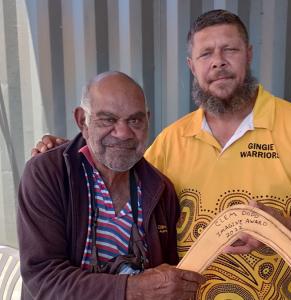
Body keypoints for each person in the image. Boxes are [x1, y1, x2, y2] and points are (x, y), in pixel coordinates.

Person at [32, 10, 291, 300]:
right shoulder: (172, 139)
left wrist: (281, 226)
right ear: (192, 66)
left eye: (229, 49)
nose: (218, 61)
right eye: (206, 53)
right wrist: (70, 148)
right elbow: (118, 165)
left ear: (248, 54)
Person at [18, 71, 204, 300]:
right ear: (82, 121)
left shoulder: (160, 190)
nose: (123, 133)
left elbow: (169, 278)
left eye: (134, 120)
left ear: (147, 119)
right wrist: (134, 289)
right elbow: (43, 277)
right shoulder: (49, 174)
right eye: (108, 119)